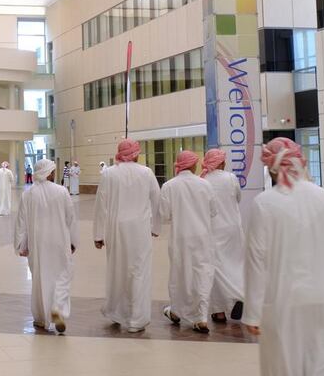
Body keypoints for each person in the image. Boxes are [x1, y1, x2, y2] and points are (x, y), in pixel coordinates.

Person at [243, 137, 324, 376]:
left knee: (285, 368)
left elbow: (256, 261)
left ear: (272, 168)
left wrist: (252, 311)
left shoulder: (264, 203)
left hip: (286, 303)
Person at [93, 139, 161, 333]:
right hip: (140, 230)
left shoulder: (109, 174)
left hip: (115, 229)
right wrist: (155, 227)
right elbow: (157, 200)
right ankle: (136, 319)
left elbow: (100, 205)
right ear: (136, 154)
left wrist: (99, 234)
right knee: (139, 272)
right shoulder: (146, 172)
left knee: (117, 269)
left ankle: (115, 311)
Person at [15, 158, 78, 333]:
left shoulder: (28, 194)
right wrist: (73, 240)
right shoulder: (61, 191)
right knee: (63, 275)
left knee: (40, 278)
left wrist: (22, 245)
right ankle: (58, 308)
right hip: (60, 240)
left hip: (38, 243)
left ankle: (41, 318)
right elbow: (70, 218)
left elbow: (22, 221)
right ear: (49, 173)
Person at [159, 150, 217, 333]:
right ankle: (201, 318)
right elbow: (213, 211)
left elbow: (164, 214)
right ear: (193, 165)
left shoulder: (169, 186)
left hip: (180, 238)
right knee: (202, 273)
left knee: (179, 274)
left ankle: (176, 310)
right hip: (202, 236)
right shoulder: (205, 185)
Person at [201, 148, 245, 324]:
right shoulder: (231, 178)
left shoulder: (203, 181)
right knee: (236, 264)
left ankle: (218, 312)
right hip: (232, 228)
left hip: (213, 229)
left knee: (216, 269)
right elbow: (238, 198)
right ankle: (239, 296)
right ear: (220, 162)